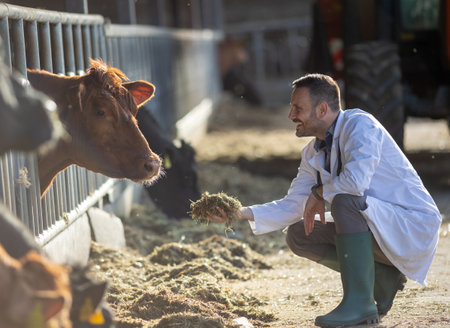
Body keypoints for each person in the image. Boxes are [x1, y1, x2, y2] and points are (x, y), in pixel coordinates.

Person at [207, 73, 442, 327]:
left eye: (298, 108)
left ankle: (360, 305)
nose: (290, 116)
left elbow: (355, 184)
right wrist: (239, 213)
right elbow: (294, 205)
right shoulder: (312, 153)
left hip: (410, 226)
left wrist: (319, 193)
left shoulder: (360, 125)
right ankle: (384, 277)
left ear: (322, 109)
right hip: (378, 227)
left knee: (344, 200)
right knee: (298, 234)